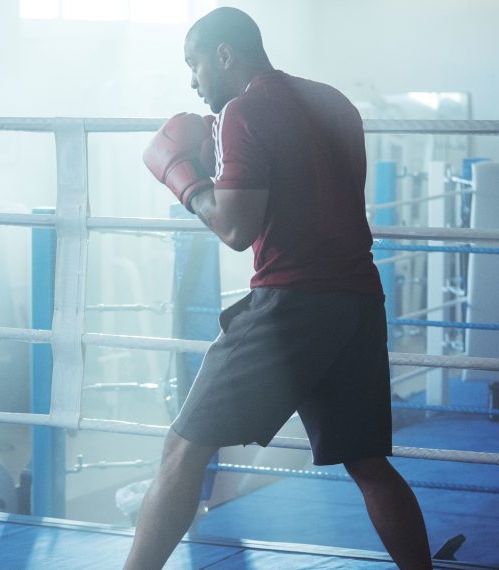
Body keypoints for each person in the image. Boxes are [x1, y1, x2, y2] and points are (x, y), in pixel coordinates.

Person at [128, 8, 432, 570]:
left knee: (183, 447)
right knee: (367, 462)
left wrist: (187, 181)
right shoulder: (334, 102)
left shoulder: (243, 112)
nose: (191, 81)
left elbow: (237, 229)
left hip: (292, 302)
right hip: (359, 299)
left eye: (194, 64)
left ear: (225, 55)